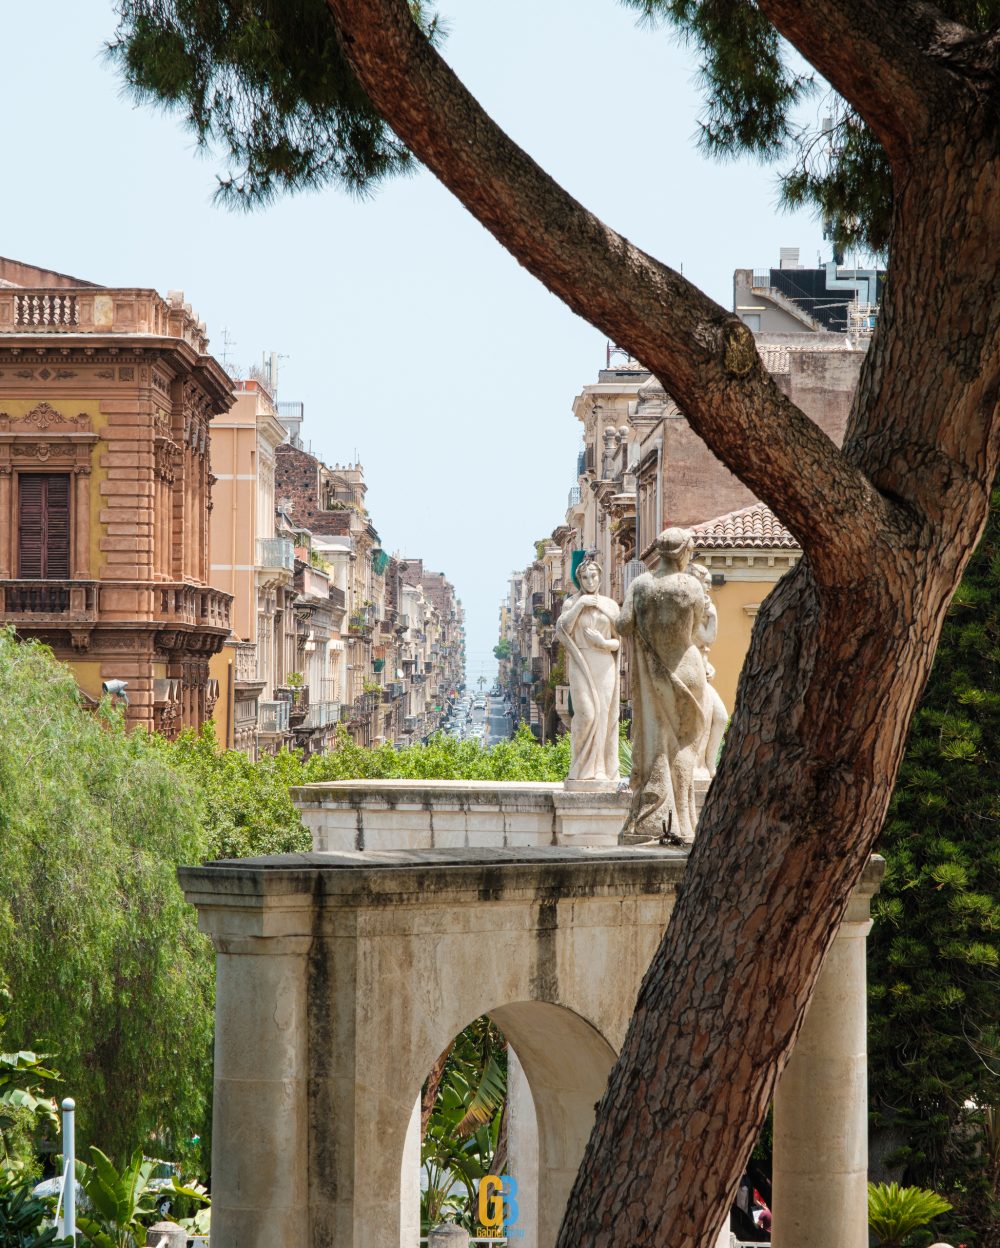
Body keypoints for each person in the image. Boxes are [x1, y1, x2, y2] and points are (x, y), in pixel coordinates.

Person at [620, 527, 707, 843]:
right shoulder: (691, 586)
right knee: (685, 744)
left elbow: (623, 624)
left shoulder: (641, 585)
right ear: (683, 552)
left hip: (655, 674)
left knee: (658, 742)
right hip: (688, 669)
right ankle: (685, 821)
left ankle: (653, 818)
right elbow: (695, 629)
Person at [555, 557, 621, 785]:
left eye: (593, 576)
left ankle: (600, 768)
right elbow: (562, 629)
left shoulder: (610, 605)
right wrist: (581, 604)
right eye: (585, 577)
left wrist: (603, 642)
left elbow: (618, 642)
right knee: (586, 714)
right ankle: (579, 767)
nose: (590, 580)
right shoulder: (571, 603)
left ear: (600, 577)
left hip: (604, 662)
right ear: (579, 580)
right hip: (581, 661)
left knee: (603, 715)